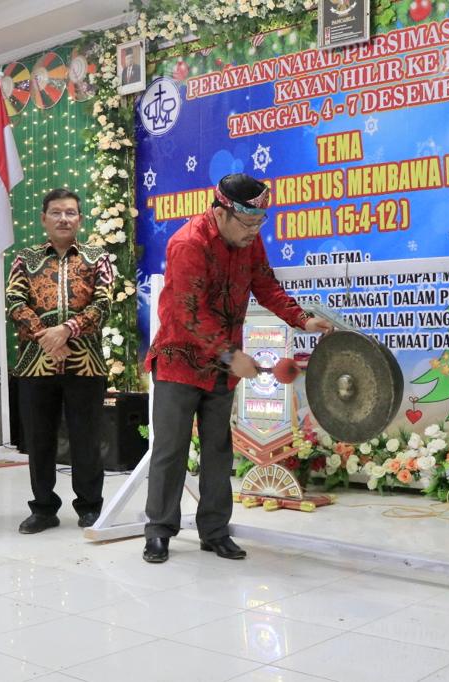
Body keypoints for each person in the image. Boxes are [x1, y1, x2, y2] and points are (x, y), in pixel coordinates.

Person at [142, 173, 333, 564]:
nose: (253, 231)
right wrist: (230, 355)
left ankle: (214, 531)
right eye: (247, 222)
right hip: (180, 361)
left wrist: (302, 319)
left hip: (221, 365)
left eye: (260, 223)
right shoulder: (188, 243)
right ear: (221, 213)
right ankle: (159, 531)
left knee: (218, 450)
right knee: (170, 450)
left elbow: (266, 285)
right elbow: (189, 314)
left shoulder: (249, 240)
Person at [6, 188, 113, 534]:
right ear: (43, 219)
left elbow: (104, 304)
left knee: (86, 439)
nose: (63, 219)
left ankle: (90, 507)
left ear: (80, 219)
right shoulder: (25, 259)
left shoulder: (98, 257)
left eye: (70, 213)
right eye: (56, 212)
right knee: (39, 440)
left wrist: (67, 330)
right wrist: (47, 337)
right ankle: (43, 509)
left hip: (86, 363)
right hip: (35, 363)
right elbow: (14, 303)